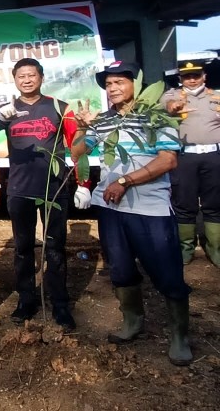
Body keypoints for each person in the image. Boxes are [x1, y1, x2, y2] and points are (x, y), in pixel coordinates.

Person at [71, 60, 192, 365]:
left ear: (136, 84)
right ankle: (132, 322)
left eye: (119, 82)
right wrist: (84, 127)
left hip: (150, 208)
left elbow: (167, 161)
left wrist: (125, 181)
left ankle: (180, 335)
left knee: (166, 271)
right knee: (121, 269)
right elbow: (77, 154)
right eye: (108, 84)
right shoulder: (105, 121)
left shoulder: (156, 117)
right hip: (111, 208)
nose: (112, 89)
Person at [0, 58, 80, 330]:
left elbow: (78, 145)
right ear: (14, 79)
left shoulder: (59, 108)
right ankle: (26, 300)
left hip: (54, 189)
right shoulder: (7, 109)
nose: (26, 80)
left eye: (32, 75)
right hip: (20, 189)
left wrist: (81, 183)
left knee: (55, 248)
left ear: (41, 77)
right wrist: (0, 117)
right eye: (21, 76)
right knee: (23, 248)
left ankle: (60, 304)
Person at [161, 61, 220, 266]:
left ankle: (215, 249)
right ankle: (185, 249)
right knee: (184, 203)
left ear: (204, 76)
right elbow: (166, 106)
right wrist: (174, 107)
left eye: (196, 75)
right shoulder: (172, 95)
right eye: (187, 76)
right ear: (180, 78)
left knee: (215, 203)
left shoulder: (217, 96)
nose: (192, 79)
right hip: (185, 157)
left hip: (214, 156)